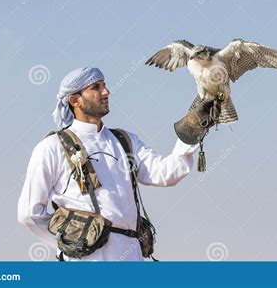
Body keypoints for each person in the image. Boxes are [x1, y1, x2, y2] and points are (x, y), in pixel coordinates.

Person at [17, 66, 217, 261]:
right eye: (95, 87)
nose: (106, 91)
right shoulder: (52, 147)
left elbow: (166, 173)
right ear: (74, 100)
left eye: (104, 85)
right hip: (88, 260)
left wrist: (190, 133)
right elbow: (29, 213)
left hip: (131, 253)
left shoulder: (124, 141)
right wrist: (69, 243)